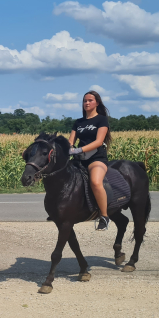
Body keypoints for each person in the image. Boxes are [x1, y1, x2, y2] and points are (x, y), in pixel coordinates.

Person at [68, 91, 112, 230]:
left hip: (96, 158)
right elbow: (71, 141)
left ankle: (104, 216)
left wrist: (79, 150)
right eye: (85, 101)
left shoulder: (101, 120)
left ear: (97, 103)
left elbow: (99, 141)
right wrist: (69, 148)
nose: (87, 103)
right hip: (79, 159)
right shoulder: (78, 122)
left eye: (90, 100)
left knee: (95, 182)